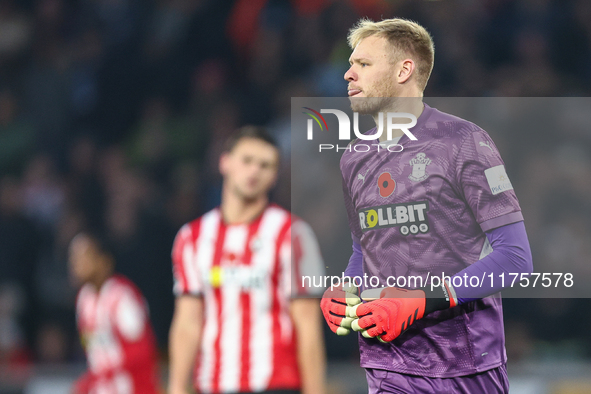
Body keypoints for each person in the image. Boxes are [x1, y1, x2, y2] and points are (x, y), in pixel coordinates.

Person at [320, 18, 533, 394]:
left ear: (405, 69)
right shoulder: (353, 157)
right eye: (351, 64)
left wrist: (423, 300)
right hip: (387, 363)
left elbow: (515, 258)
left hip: (464, 365)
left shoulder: (463, 141)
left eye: (364, 64)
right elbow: (362, 250)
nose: (348, 75)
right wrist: (347, 286)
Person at [168, 126, 326, 394]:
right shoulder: (191, 237)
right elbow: (187, 322)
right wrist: (175, 388)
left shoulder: (294, 235)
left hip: (277, 384)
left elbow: (307, 324)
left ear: (275, 176)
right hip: (211, 384)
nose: (254, 171)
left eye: (265, 165)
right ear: (225, 162)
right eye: (247, 161)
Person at [69, 231, 160, 394]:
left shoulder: (121, 296)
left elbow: (143, 351)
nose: (76, 264)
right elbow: (89, 346)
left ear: (104, 262)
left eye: (84, 257)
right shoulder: (83, 299)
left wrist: (102, 373)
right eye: (73, 258)